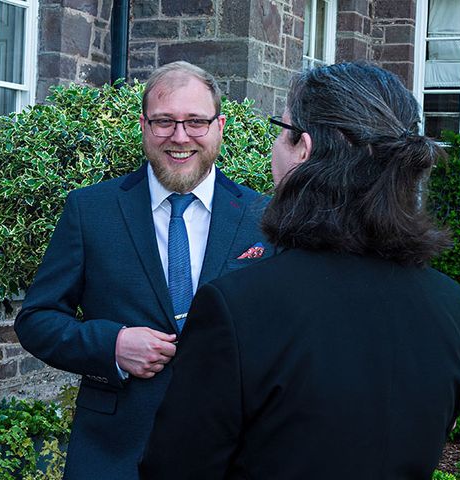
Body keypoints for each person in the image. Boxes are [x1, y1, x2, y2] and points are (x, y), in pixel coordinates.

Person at [139, 62, 460, 479]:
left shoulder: (239, 308)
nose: (274, 146)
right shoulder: (451, 305)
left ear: (304, 149)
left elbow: (175, 469)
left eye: (282, 129)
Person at [14, 61, 272, 479]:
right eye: (164, 122)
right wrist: (111, 345)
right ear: (143, 125)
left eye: (195, 122)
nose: (180, 136)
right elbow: (36, 320)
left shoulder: (264, 218)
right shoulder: (91, 210)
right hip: (113, 453)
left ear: (220, 125)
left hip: (233, 454)